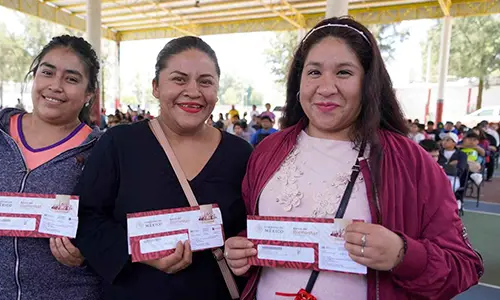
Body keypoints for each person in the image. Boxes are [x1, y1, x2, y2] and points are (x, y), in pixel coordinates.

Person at [224, 17, 483, 300]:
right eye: (314, 72)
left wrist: (403, 254)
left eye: (344, 73)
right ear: (299, 82)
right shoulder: (268, 151)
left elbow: (463, 266)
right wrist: (241, 253)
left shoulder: (410, 161)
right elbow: (256, 236)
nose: (326, 87)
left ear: (368, 83)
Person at [76, 36, 252, 300]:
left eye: (205, 81)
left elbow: (250, 227)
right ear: (156, 87)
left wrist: (242, 250)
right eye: (179, 79)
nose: (193, 91)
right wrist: (138, 250)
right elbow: (85, 217)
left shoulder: (241, 154)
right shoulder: (120, 144)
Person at [0, 35, 104, 300]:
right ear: (34, 77)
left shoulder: (101, 151)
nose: (55, 86)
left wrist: (88, 252)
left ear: (89, 93)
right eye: (47, 73)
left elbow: (113, 229)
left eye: (71, 79)